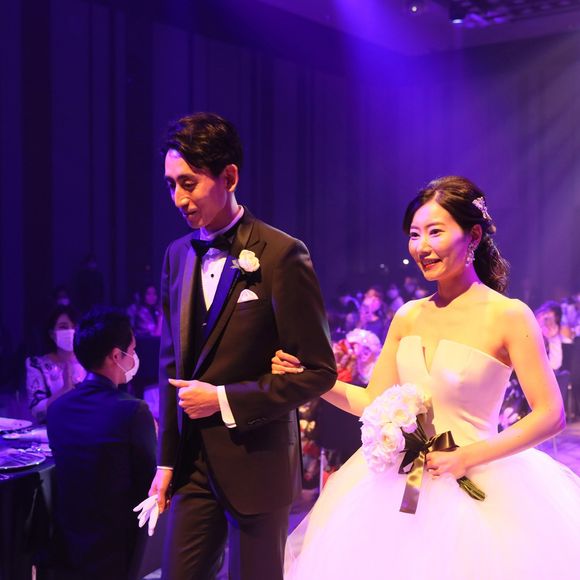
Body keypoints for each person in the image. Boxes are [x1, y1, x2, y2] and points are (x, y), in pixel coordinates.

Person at [273, 176, 580, 579]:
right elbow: (373, 402)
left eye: (435, 231)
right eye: (414, 234)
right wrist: (312, 379)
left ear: (473, 236)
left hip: (482, 482)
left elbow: (551, 414)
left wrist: (466, 456)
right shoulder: (408, 316)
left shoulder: (509, 315)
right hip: (402, 484)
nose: (421, 246)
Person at [148, 113, 336, 579]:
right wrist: (166, 461)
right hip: (192, 465)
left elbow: (319, 371)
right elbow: (169, 366)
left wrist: (224, 399)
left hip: (259, 461)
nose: (178, 198)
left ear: (229, 177)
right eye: (171, 185)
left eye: (188, 183)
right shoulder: (176, 255)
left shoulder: (281, 253)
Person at [47, 306, 156, 580]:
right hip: (116, 548)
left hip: (66, 545)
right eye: (132, 350)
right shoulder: (133, 411)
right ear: (116, 356)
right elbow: (149, 484)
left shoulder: (58, 409)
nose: (134, 357)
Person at [26, 305, 86, 422]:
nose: (71, 331)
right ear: (52, 334)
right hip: (51, 431)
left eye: (75, 327)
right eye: (63, 327)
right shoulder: (37, 365)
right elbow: (37, 411)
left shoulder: (90, 363)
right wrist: (64, 390)